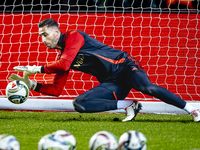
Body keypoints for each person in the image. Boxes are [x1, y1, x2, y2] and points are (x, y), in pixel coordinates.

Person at [9, 18, 200, 122]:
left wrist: (35, 68)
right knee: (80, 104)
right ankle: (128, 105)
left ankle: (192, 110)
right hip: (112, 82)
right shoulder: (61, 59)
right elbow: (56, 91)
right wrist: (30, 84)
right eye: (40, 36)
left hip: (125, 66)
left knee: (147, 88)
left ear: (57, 32)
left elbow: (64, 65)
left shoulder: (74, 36)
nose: (43, 39)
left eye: (45, 34)